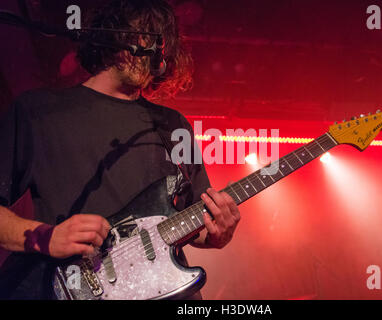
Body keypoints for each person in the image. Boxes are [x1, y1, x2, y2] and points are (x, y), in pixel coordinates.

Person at [0, 0, 240, 299]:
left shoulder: (173, 125)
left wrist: (218, 234)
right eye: (145, 34)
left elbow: (199, 225)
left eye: (160, 40)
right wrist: (44, 237)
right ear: (113, 34)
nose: (153, 49)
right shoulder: (37, 111)